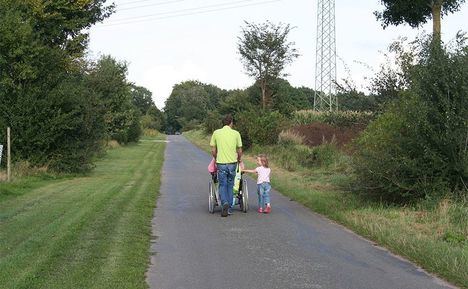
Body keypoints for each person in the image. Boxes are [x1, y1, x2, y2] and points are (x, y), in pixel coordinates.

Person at [210, 114, 243, 217]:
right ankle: (229, 208)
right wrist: (238, 159)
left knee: (222, 184)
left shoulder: (216, 133)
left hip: (221, 163)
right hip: (232, 163)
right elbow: (239, 150)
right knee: (230, 184)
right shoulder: (236, 133)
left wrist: (216, 158)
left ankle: (224, 202)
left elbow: (213, 150)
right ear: (231, 123)